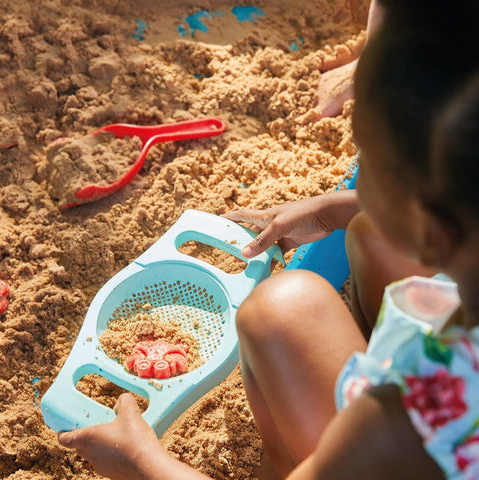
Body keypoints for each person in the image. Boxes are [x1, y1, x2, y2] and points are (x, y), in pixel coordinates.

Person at [57, 0, 479, 478]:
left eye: (370, 163)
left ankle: (281, 465)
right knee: (367, 233)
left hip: (408, 453)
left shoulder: (411, 421)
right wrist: (329, 210)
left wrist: (141, 461)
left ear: (430, 224)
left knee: (280, 309)